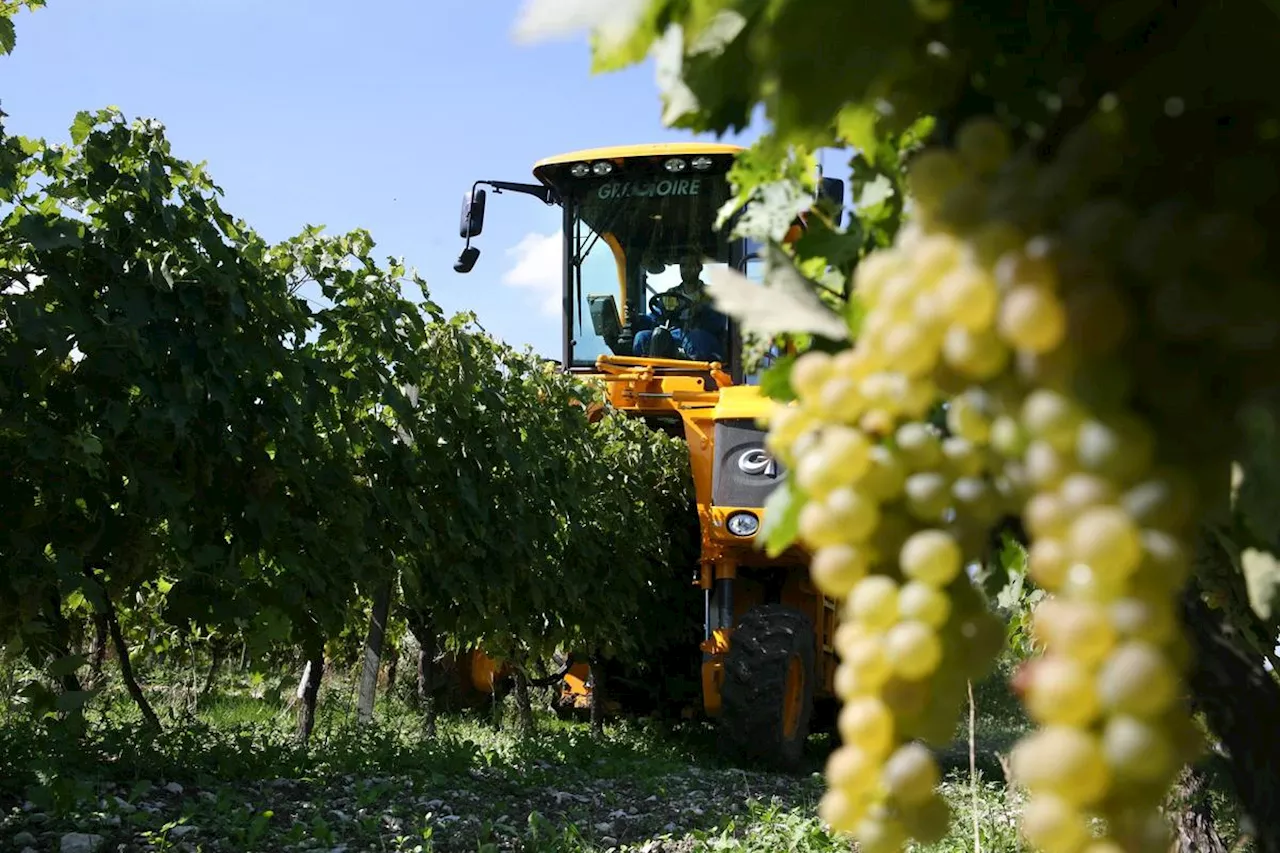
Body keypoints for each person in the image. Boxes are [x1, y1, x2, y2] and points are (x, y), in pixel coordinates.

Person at [632, 253, 727, 360]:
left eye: (690, 265)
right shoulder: (670, 294)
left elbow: (719, 321)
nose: (686, 269)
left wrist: (702, 311)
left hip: (701, 338)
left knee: (696, 338)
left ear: (699, 267)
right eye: (683, 265)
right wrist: (637, 317)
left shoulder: (712, 294)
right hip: (674, 337)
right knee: (642, 337)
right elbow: (656, 316)